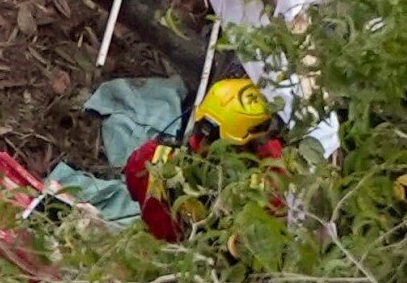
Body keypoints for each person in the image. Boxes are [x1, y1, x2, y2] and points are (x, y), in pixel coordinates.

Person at [120, 72, 287, 243]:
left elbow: (133, 188)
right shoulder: (262, 184)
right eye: (255, 143)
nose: (261, 146)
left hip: (157, 249)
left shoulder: (148, 158)